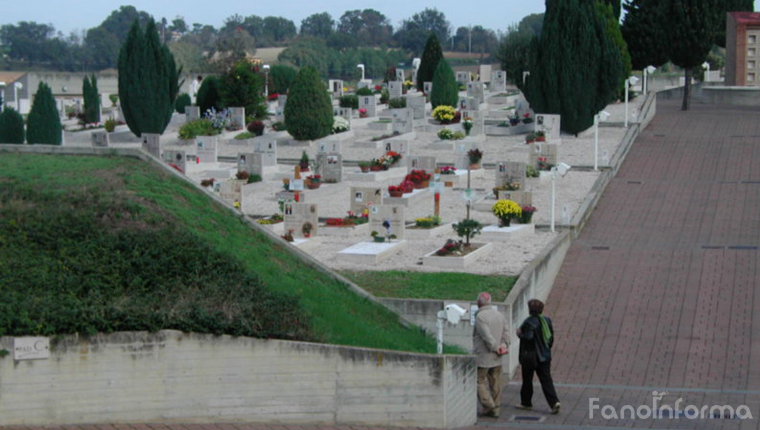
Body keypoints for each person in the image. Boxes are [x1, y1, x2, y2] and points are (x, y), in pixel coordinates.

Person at [516, 299, 560, 414]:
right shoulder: (547, 321)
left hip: (530, 357)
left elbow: (529, 337)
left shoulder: (529, 322)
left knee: (527, 380)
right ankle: (554, 402)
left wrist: (520, 334)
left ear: (530, 309)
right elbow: (550, 339)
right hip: (545, 356)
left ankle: (526, 402)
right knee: (546, 380)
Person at [472, 292, 510, 418]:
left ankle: (489, 404)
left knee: (478, 381)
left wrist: (495, 348)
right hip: (498, 357)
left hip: (484, 356)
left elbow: (486, 336)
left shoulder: (480, 317)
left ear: (478, 303)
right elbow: (506, 333)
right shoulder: (499, 315)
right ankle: (496, 409)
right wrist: (503, 347)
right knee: (496, 382)